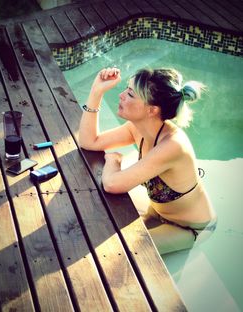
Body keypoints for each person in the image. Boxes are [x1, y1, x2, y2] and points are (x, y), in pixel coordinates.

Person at [78, 66, 217, 254]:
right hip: (157, 213)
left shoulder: (173, 145)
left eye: (130, 94)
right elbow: (89, 142)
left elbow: (111, 184)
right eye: (126, 89)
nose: (121, 96)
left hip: (188, 228)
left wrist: (114, 161)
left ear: (152, 110)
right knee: (95, 232)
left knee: (120, 252)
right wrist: (96, 91)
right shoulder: (137, 128)